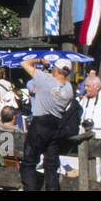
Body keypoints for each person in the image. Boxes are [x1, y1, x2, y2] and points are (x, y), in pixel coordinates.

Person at [20, 56, 75, 191]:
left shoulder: (44, 80)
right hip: (56, 125)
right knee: (51, 164)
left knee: (29, 161)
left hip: (40, 123)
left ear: (55, 69)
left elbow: (24, 63)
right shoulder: (69, 89)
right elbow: (59, 78)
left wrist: (40, 61)